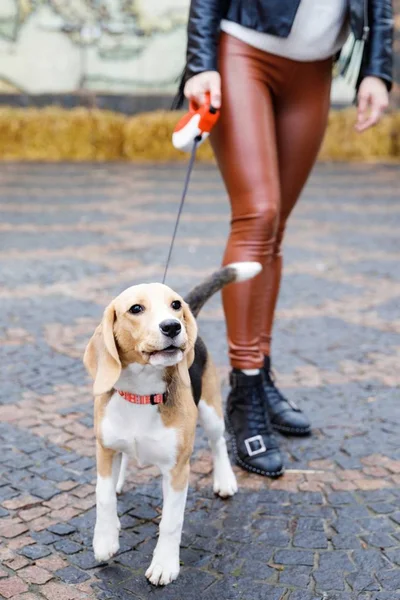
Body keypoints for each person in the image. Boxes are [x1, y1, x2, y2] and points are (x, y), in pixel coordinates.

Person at [176, 0, 393, 477]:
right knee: (258, 214)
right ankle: (245, 390)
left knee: (274, 229)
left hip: (315, 67)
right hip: (242, 51)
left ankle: (261, 375)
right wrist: (200, 63)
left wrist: (376, 71)